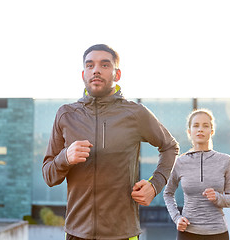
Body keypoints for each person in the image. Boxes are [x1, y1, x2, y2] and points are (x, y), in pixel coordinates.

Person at [42, 44, 179, 240]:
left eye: (104, 65)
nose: (96, 70)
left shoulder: (135, 113)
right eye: (90, 65)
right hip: (76, 233)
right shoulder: (66, 114)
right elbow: (49, 176)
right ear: (83, 74)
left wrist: (155, 184)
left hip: (123, 233)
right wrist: (65, 157)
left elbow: (170, 147)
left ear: (117, 74)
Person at [163, 109, 230, 240]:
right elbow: (168, 193)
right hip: (187, 233)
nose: (200, 129)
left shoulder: (225, 160)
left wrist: (218, 197)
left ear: (212, 131)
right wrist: (177, 217)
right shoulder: (180, 162)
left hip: (218, 233)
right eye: (196, 126)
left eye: (205, 125)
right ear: (189, 132)